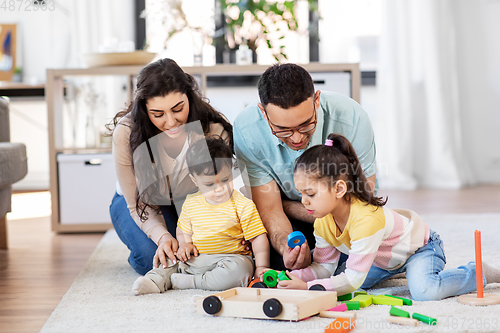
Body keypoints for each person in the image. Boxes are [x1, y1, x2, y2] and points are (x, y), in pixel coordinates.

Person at [275, 133, 500, 301]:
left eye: (310, 194)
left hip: (420, 248)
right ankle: (399, 270)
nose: (303, 201)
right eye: (301, 193)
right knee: (344, 281)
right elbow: (325, 268)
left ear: (339, 189)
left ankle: (479, 271)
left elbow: (352, 280)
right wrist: (288, 277)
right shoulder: (322, 220)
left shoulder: (366, 219)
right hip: (382, 259)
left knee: (424, 291)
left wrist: (307, 288)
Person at [233, 63, 377, 271]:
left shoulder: (353, 119)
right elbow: (270, 211)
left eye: (306, 125)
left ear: (316, 100)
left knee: (362, 262)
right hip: (296, 220)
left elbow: (359, 204)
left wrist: (286, 206)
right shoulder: (247, 130)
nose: (297, 138)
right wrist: (287, 249)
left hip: (345, 218)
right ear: (263, 113)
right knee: (279, 261)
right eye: (283, 130)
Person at [108, 58, 233, 275]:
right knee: (151, 258)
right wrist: (163, 236)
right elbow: (136, 204)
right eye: (158, 114)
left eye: (178, 109)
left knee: (205, 251)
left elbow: (223, 194)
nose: (171, 122)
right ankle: (139, 245)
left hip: (192, 202)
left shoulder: (211, 130)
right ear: (144, 109)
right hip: (139, 202)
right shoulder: (127, 132)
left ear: (189, 98)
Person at [132, 137, 270, 295]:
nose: (219, 189)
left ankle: (191, 282)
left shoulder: (242, 204)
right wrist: (185, 245)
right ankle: (154, 280)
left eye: (225, 180)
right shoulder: (191, 202)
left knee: (241, 270)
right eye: (210, 184)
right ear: (194, 180)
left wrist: (261, 267)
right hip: (196, 258)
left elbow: (258, 238)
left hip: (229, 259)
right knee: (171, 260)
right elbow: (182, 230)